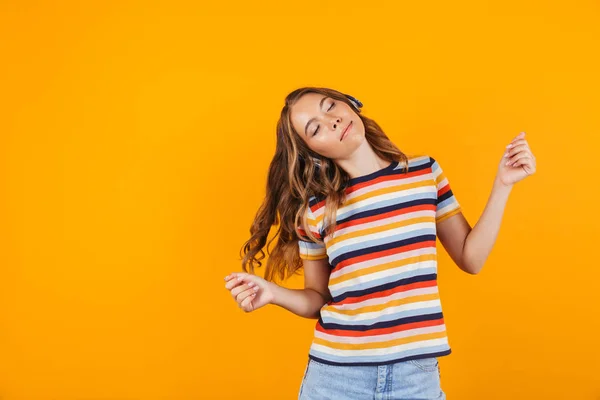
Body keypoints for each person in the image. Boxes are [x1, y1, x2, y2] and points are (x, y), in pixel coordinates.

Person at [224, 87, 536, 399]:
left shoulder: (425, 174)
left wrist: (503, 185)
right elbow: (317, 299)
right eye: (315, 128)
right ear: (312, 151)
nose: (331, 121)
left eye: (330, 106)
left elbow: (472, 259)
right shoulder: (314, 212)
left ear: (350, 104)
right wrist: (272, 293)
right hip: (337, 377)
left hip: (415, 376)